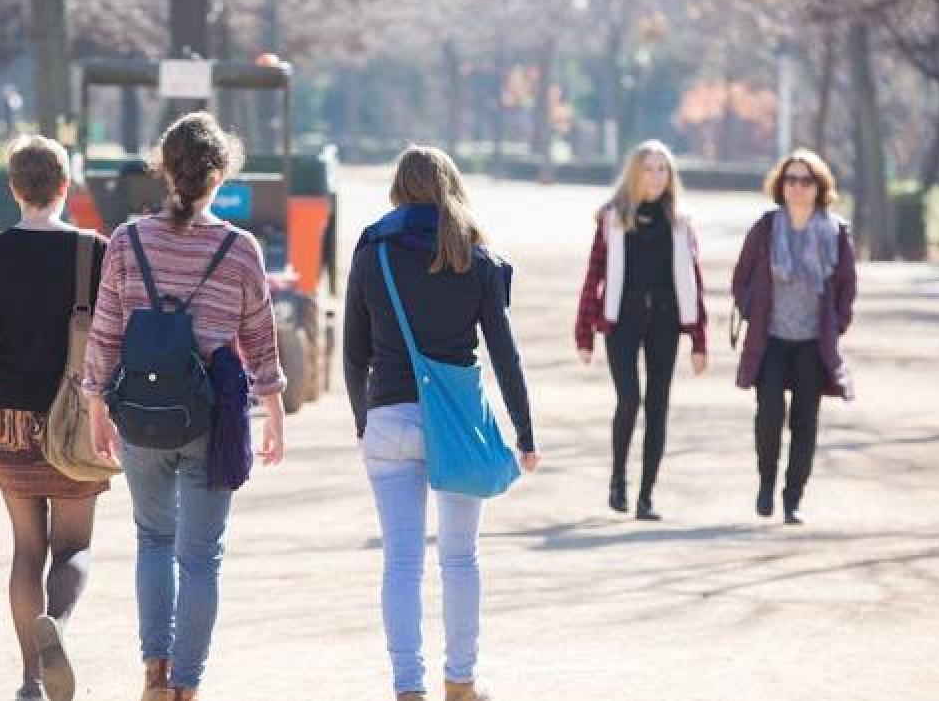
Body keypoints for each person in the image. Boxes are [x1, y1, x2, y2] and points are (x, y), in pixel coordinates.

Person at [83, 111, 287, 701]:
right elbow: (260, 339)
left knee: (153, 541)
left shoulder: (127, 241)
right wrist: (272, 410)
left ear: (164, 170)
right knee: (201, 558)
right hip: (210, 417)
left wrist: (97, 403)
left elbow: (106, 332)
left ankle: (154, 671)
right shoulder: (240, 248)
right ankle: (186, 687)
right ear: (220, 174)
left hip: (141, 411)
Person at [344, 146, 540, 701]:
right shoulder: (475, 258)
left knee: (401, 561)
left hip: (389, 415)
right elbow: (505, 355)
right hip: (456, 423)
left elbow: (354, 353)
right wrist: (525, 434)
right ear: (451, 185)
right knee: (460, 558)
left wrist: (365, 419)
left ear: (398, 189)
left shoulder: (371, 252)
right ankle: (460, 682)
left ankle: (408, 687)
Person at [0, 134, 108, 701]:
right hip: (74, 418)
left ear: (14, 188)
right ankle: (57, 627)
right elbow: (111, 343)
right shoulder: (97, 251)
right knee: (75, 549)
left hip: (7, 418)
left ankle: (29, 682)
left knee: (26, 550)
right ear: (65, 187)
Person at [573, 139, 708, 521]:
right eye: (649, 169)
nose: (656, 176)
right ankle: (618, 481)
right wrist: (584, 334)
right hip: (622, 319)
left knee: (658, 404)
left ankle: (647, 495)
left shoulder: (681, 223)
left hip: (665, 321)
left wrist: (699, 339)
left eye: (663, 169)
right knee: (629, 399)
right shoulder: (613, 219)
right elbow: (593, 276)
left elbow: (694, 282)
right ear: (634, 173)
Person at [731, 148, 857, 525]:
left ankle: (792, 498)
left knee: (805, 422)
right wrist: (752, 307)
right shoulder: (766, 229)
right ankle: (766, 484)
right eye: (791, 180)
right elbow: (742, 277)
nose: (798, 187)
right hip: (769, 340)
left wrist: (837, 324)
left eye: (806, 180)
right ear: (781, 186)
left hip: (812, 344)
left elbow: (847, 287)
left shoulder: (835, 233)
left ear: (820, 187)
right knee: (768, 415)